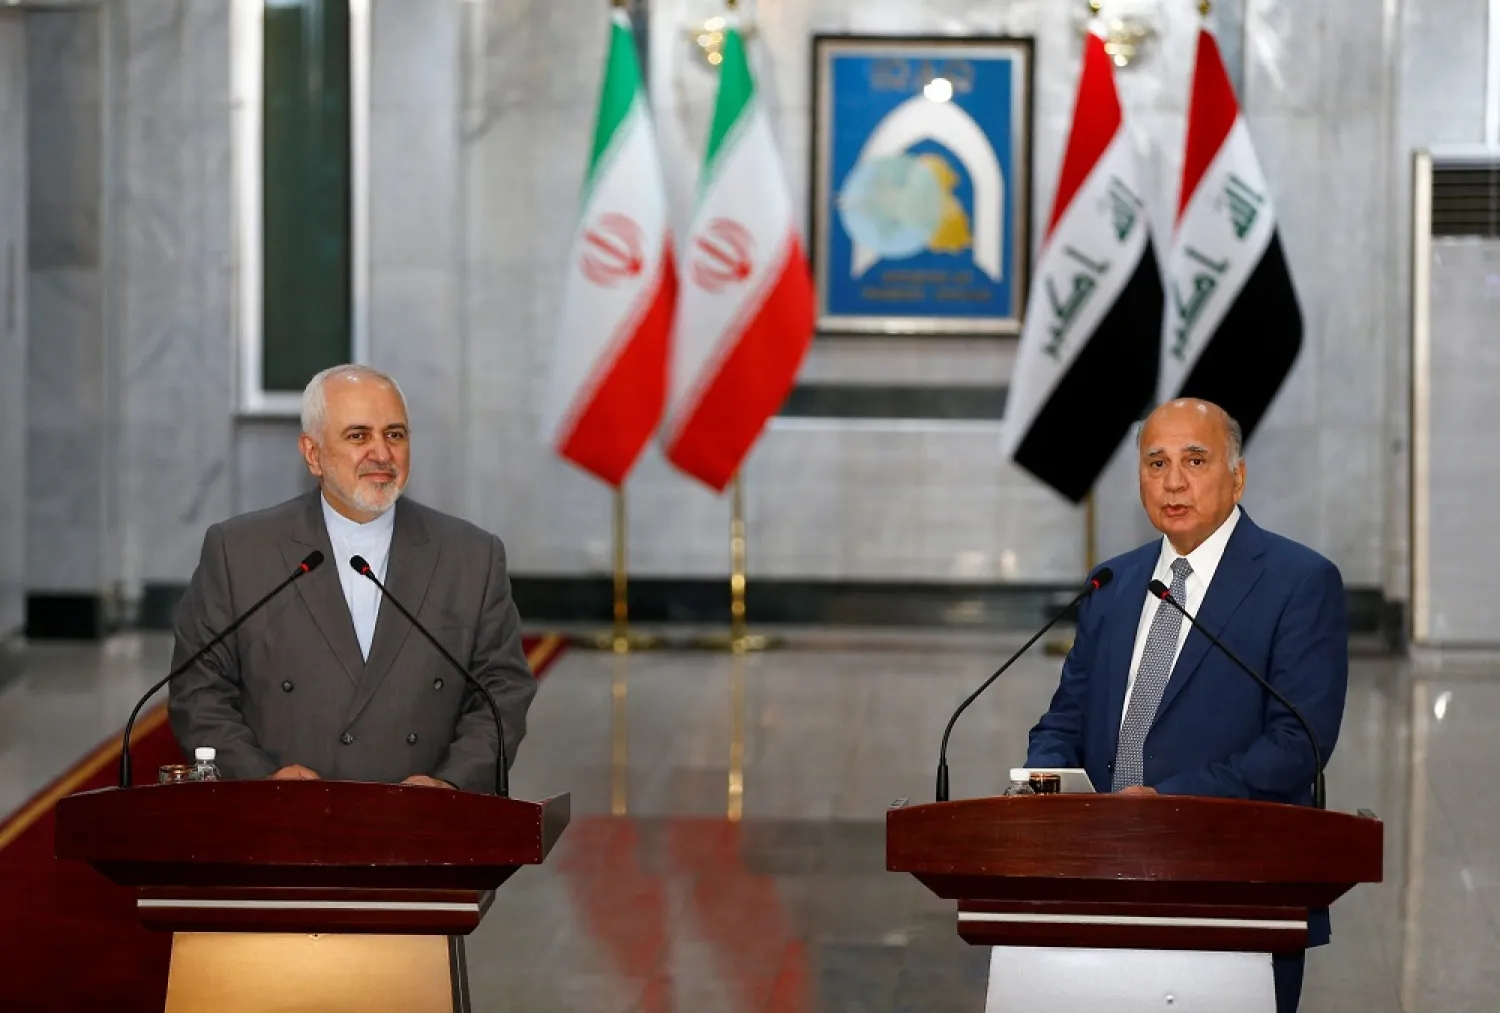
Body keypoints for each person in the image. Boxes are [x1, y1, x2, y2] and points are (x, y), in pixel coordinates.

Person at [1025, 398, 1348, 1013]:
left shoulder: (1299, 581)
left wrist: (1165, 802)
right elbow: (1065, 717)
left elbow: (1297, 744)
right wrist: (1042, 783)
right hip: (1100, 874)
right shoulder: (1112, 583)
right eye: (1157, 463)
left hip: (1233, 884)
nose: (1173, 482)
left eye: (1195, 460)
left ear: (1237, 476)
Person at [167, 364, 537, 792]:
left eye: (394, 434)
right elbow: (199, 690)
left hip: (423, 821)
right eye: (359, 436)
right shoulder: (240, 551)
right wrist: (262, 781)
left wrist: (451, 784)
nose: (382, 453)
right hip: (284, 818)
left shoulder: (471, 556)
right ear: (313, 454)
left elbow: (502, 692)